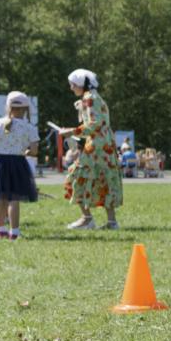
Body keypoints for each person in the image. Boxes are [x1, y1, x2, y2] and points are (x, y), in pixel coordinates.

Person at [59, 69, 123, 230]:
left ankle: (87, 219)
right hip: (105, 145)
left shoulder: (89, 98)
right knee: (105, 179)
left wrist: (71, 131)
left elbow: (95, 124)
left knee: (75, 177)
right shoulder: (94, 97)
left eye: (72, 85)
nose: (71, 88)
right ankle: (111, 222)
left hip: (96, 146)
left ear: (80, 84)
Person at [0, 91, 39, 240]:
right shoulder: (29, 128)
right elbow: (34, 151)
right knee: (14, 198)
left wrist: (1, 151)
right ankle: (14, 232)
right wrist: (24, 151)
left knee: (0, 197)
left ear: (8, 107)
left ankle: (1, 230)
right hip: (17, 163)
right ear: (26, 109)